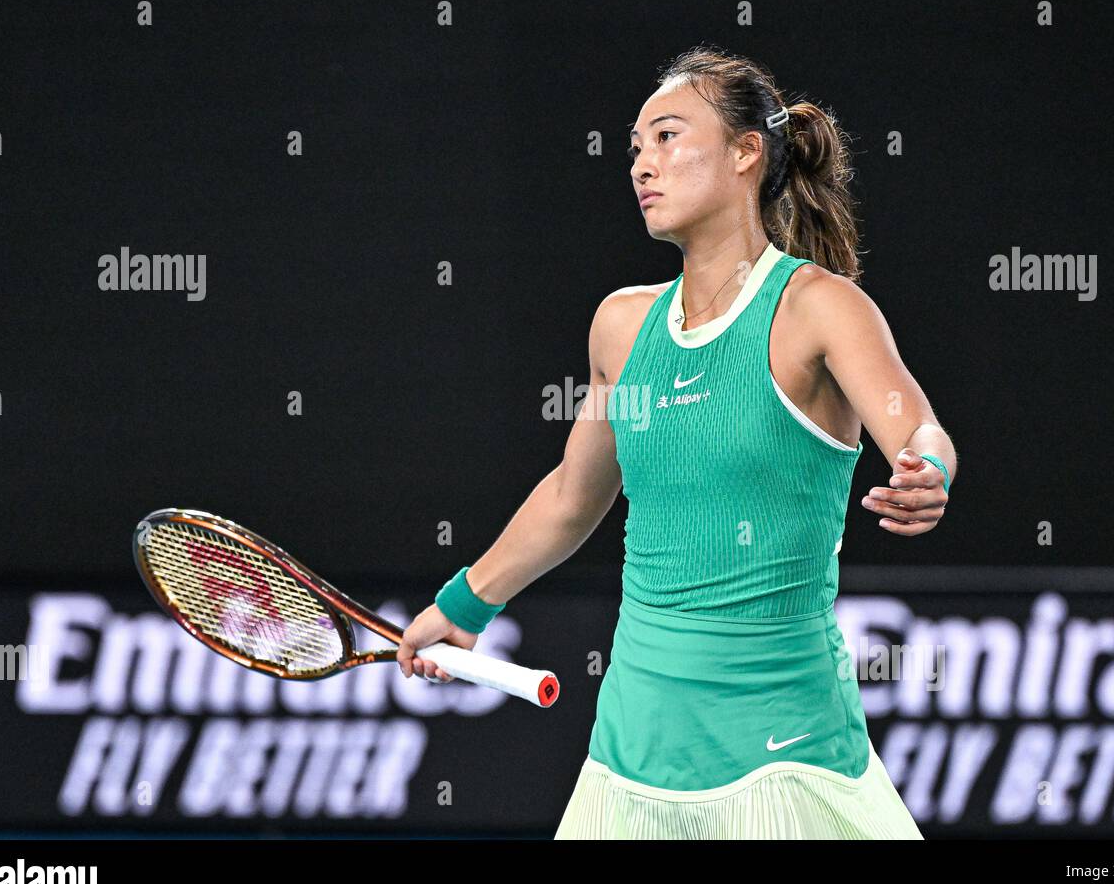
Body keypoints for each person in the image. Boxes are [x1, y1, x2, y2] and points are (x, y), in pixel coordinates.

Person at [397, 45, 955, 839]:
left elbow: (918, 426)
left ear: (744, 153)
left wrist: (927, 469)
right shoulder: (621, 326)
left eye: (665, 137)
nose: (640, 165)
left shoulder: (820, 308)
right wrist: (464, 603)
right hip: (630, 756)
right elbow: (570, 498)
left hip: (785, 754)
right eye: (633, 148)